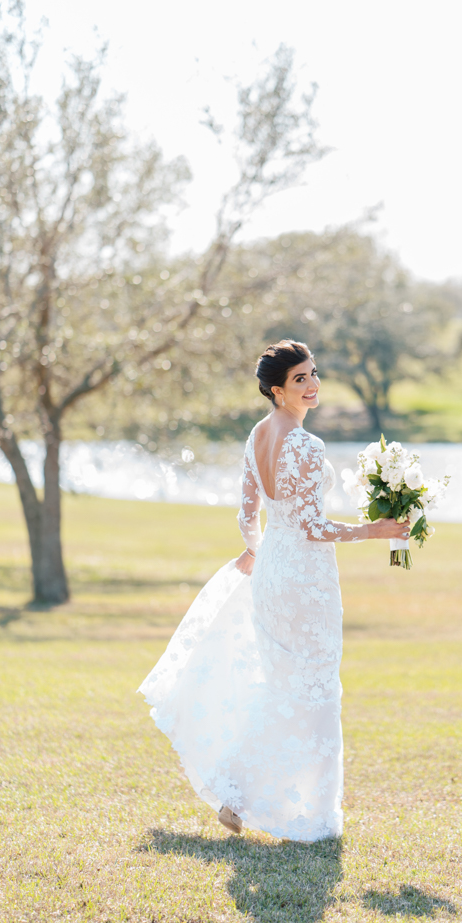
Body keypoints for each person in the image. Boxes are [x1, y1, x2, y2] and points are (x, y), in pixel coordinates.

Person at [138, 340, 409, 842]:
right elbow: (311, 526)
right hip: (305, 577)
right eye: (300, 379)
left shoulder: (257, 436)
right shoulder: (305, 445)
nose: (312, 385)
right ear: (276, 389)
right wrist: (376, 532)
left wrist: (258, 552)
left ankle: (239, 796)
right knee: (317, 688)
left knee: (287, 685)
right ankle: (309, 817)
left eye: (313, 374)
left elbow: (247, 514)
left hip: (273, 571)